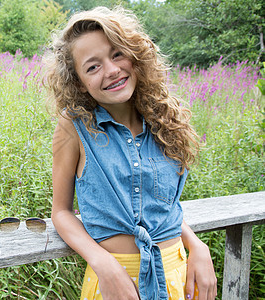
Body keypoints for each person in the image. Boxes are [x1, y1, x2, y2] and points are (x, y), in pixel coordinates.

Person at [44, 6, 217, 300]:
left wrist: (196, 245)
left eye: (117, 54)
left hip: (178, 274)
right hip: (116, 283)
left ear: (135, 55)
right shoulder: (73, 127)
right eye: (92, 66)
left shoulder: (163, 118)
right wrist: (102, 263)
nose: (111, 71)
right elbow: (61, 212)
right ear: (80, 83)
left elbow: (160, 207)